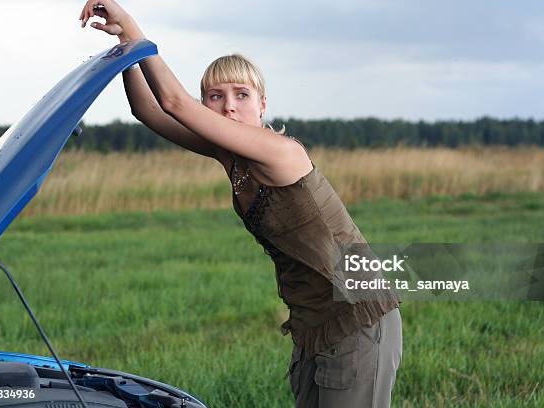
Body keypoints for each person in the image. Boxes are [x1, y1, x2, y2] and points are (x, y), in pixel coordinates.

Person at [79, 1, 403, 406]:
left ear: (263, 105)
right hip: (314, 320)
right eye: (215, 96)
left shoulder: (281, 153)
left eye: (241, 94)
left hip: (358, 316)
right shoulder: (231, 158)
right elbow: (147, 110)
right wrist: (126, 47)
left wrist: (131, 24)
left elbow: (174, 103)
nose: (228, 105)